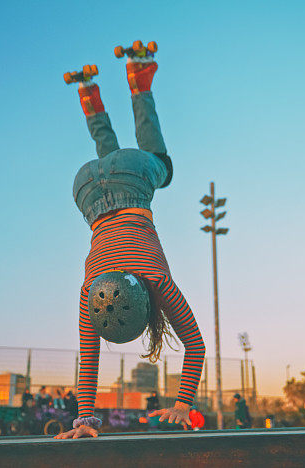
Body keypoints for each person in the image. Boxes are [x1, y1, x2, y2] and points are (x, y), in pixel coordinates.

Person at [55, 43, 205, 440]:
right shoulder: (90, 291)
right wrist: (84, 421)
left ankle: (139, 81)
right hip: (86, 185)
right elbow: (88, 363)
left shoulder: (156, 281)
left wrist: (182, 404)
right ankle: (88, 95)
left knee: (159, 162)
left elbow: (196, 346)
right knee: (113, 159)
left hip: (131, 181)